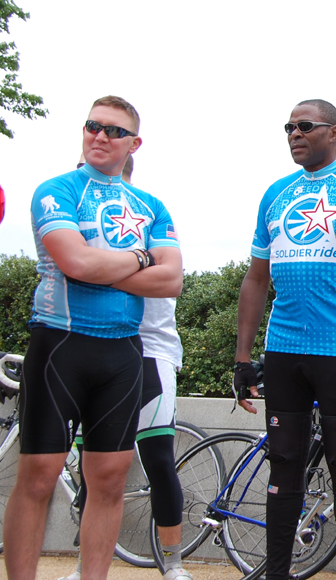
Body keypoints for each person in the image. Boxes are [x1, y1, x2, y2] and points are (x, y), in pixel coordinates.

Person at [6, 95, 183, 580]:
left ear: (134, 144)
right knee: (39, 475)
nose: (100, 136)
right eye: (92, 126)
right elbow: (75, 262)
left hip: (123, 352)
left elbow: (171, 280)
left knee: (108, 479)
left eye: (113, 130)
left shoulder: (151, 206)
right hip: (60, 344)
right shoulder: (56, 190)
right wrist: (141, 259)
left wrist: (101, 269)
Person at [232, 98, 336, 580]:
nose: (294, 134)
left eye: (305, 126)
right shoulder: (275, 194)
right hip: (283, 350)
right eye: (288, 127)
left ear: (334, 131)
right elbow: (255, 279)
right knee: (284, 462)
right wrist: (242, 358)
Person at [60, 154, 191, 580]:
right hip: (95, 349)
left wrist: (92, 272)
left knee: (158, 458)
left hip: (150, 351)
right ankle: (86, 567)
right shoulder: (78, 230)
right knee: (90, 467)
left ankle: (173, 565)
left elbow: (166, 282)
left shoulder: (149, 220)